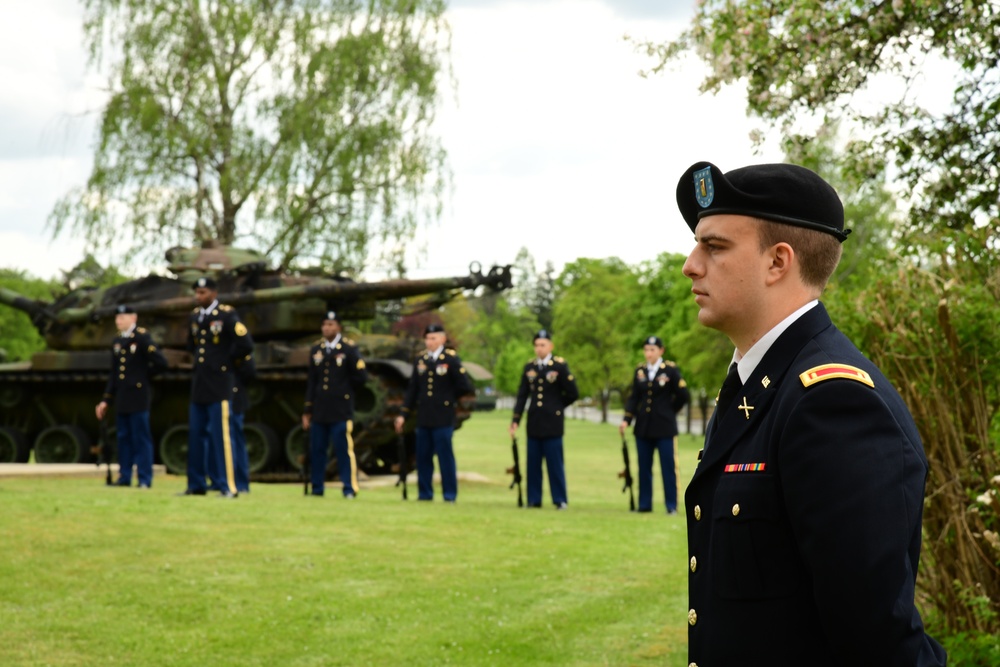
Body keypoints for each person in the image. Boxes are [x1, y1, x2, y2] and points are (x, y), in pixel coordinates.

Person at [675, 161, 947, 666]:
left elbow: (877, 643)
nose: (691, 264)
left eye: (714, 247)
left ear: (778, 262)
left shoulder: (832, 400)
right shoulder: (760, 385)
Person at [179, 276, 254, 498]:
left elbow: (245, 344)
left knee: (222, 437)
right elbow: (192, 345)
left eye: (203, 292)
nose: (198, 296)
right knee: (196, 435)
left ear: (213, 293)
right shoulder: (195, 316)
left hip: (220, 384)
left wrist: (225, 363)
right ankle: (196, 484)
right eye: (197, 292)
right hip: (200, 383)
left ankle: (227, 485)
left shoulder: (226, 315)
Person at [394, 323, 474, 503]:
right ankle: (425, 493)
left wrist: (448, 400)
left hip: (443, 417)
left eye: (433, 338)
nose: (429, 342)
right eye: (427, 339)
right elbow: (412, 390)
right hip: (424, 417)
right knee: (423, 457)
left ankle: (449, 495)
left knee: (445, 458)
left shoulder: (451, 359)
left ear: (443, 339)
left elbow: (464, 385)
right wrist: (403, 414)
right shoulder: (420, 360)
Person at [95, 305, 167, 488]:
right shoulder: (117, 341)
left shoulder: (142, 337)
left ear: (133, 318)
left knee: (141, 438)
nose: (118, 321)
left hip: (138, 395)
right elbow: (114, 374)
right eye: (117, 318)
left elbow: (161, 362)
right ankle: (124, 476)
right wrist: (106, 400)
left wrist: (143, 376)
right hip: (122, 396)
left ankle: (144, 478)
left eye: (122, 317)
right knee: (123, 437)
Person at [508, 330, 579, 510]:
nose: (539, 349)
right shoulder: (529, 367)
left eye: (543, 345)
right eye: (537, 345)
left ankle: (560, 499)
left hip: (553, 423)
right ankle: (534, 499)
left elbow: (573, 393)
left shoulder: (559, 366)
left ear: (550, 346)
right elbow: (522, 395)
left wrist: (557, 407)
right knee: (533, 463)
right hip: (534, 422)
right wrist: (516, 419)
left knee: (554, 464)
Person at [618, 335, 689, 514]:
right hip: (644, 427)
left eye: (652, 350)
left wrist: (669, 411)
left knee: (668, 467)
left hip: (665, 427)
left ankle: (671, 505)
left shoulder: (670, 370)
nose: (649, 353)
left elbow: (683, 395)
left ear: (661, 351)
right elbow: (634, 397)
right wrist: (627, 419)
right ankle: (644, 504)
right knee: (644, 467)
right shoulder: (640, 371)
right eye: (646, 350)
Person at [302, 311, 368, 498]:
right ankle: (317, 487)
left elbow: (361, 377)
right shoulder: (317, 349)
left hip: (340, 408)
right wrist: (308, 408)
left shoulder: (348, 348)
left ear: (338, 327)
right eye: (324, 324)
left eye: (331, 324)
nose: (327, 328)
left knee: (343, 450)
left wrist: (344, 391)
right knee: (317, 450)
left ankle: (349, 487)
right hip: (320, 409)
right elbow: (312, 381)